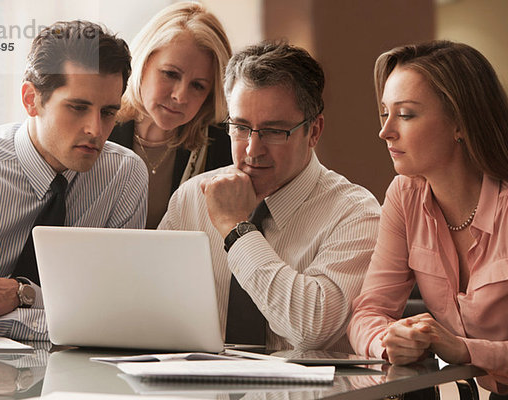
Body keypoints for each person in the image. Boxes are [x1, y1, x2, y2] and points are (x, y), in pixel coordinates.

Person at [348, 40, 508, 398]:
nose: (386, 131)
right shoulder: (403, 196)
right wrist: (388, 341)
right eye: (385, 113)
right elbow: (367, 313)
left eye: (406, 114)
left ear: (460, 123)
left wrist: (466, 350)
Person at [159, 41, 381, 351]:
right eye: (240, 127)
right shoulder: (192, 198)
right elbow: (152, 308)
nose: (252, 149)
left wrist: (237, 229)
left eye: (274, 131)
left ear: (314, 131)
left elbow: (311, 330)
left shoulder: (355, 213)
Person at [0, 20, 149, 341]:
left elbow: (117, 311)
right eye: (78, 107)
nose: (95, 130)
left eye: (108, 112)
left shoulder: (124, 175)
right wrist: (65, 317)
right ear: (31, 99)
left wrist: (22, 295)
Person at [109, 1, 233, 228]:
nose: (180, 96)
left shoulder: (223, 146)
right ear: (143, 62)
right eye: (170, 74)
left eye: (198, 86)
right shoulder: (100, 125)